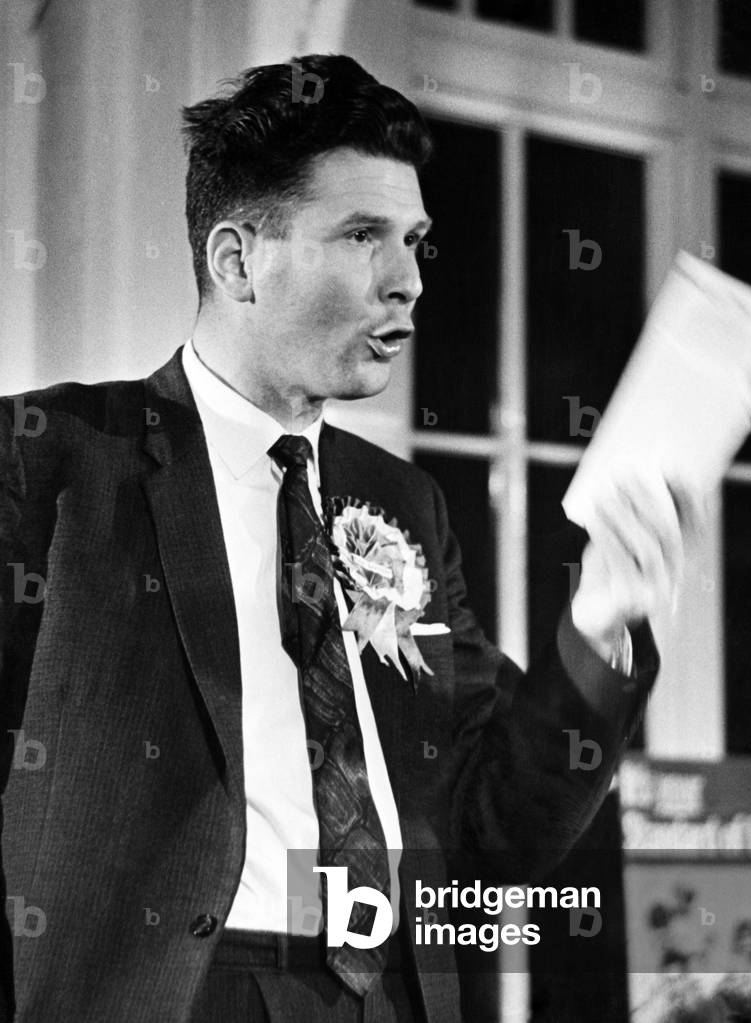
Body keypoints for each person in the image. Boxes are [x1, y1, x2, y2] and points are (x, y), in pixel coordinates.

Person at [0, 55, 691, 1023]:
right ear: (237, 261)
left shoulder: (404, 499)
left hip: (389, 993)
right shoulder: (45, 459)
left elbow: (493, 831)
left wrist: (598, 627)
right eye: (363, 235)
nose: (407, 281)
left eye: (413, 241)